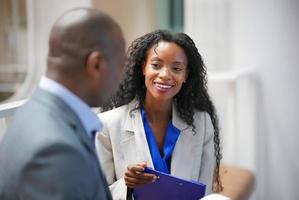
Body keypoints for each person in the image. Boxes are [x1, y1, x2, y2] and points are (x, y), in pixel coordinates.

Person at [0, 7, 125, 200]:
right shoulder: (55, 151)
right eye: (121, 65)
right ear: (96, 64)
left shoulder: (32, 111)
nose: (122, 76)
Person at [96, 30, 223, 200]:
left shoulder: (202, 123)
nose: (165, 75)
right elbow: (97, 194)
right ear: (143, 68)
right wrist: (127, 185)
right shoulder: (107, 124)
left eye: (176, 68)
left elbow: (204, 193)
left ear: (186, 75)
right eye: (156, 65)